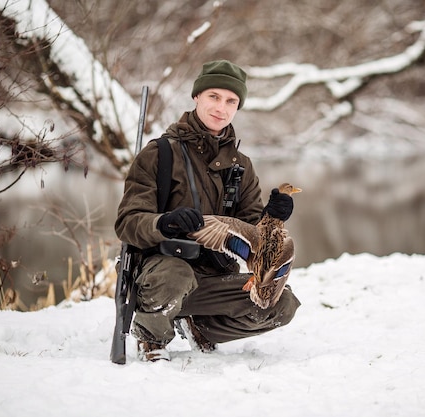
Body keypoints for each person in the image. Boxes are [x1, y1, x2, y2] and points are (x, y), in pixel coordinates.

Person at [115, 60, 301, 361]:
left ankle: (199, 326)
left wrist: (272, 219)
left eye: (231, 101)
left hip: (213, 279)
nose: (221, 108)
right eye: (213, 96)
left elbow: (254, 233)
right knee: (173, 275)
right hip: (162, 273)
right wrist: (164, 222)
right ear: (196, 97)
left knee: (281, 304)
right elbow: (128, 222)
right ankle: (152, 337)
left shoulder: (241, 165)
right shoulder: (159, 154)